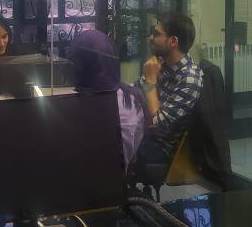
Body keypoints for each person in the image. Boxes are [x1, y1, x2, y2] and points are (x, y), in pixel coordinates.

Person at [68, 30, 147, 171]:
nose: (69, 69)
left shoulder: (97, 104)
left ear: (87, 66)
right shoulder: (128, 95)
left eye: (75, 62)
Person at [137, 12, 203, 153]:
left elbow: (156, 124)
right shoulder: (161, 63)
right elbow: (136, 94)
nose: (150, 38)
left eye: (156, 34)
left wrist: (150, 81)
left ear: (173, 41)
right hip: (141, 136)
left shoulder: (189, 78)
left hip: (158, 150)